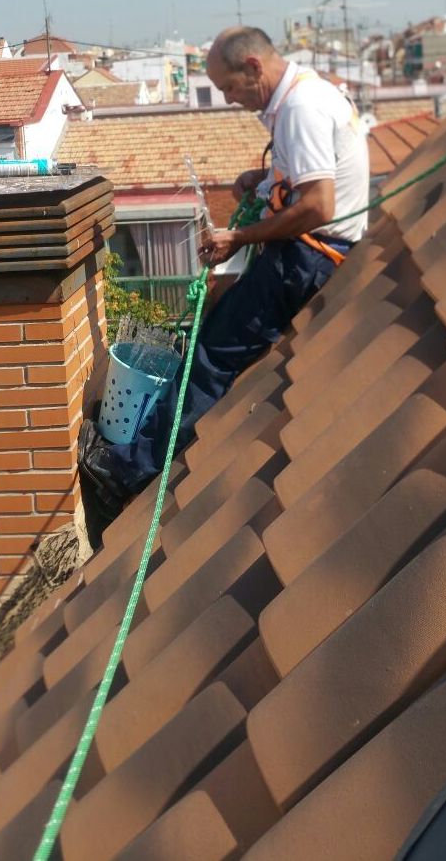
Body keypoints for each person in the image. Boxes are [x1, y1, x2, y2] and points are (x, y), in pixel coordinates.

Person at [81, 26, 370, 527]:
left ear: (255, 66)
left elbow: (321, 206)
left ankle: (126, 472)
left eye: (231, 87)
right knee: (210, 331)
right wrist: (266, 179)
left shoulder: (300, 110)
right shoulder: (309, 94)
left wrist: (240, 239)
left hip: (304, 259)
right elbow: (318, 179)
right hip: (304, 253)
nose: (231, 100)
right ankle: (136, 455)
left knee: (211, 357)